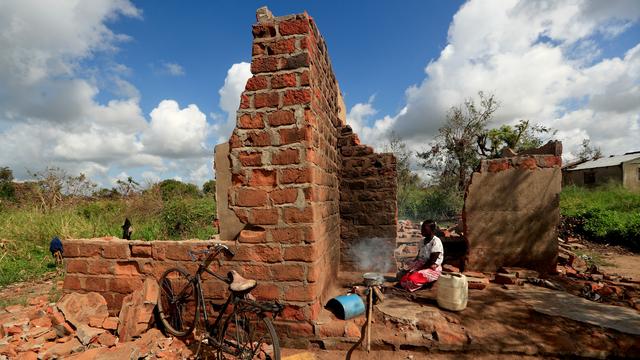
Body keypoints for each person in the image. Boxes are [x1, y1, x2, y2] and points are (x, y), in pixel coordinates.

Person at [398, 220, 444, 292]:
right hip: (421, 264)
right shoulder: (422, 241)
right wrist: (412, 265)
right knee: (403, 277)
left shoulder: (436, 242)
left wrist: (416, 270)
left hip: (431, 268)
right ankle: (416, 282)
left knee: (411, 279)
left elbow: (431, 262)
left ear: (432, 230)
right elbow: (418, 256)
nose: (422, 231)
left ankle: (425, 285)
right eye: (422, 229)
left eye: (425, 230)